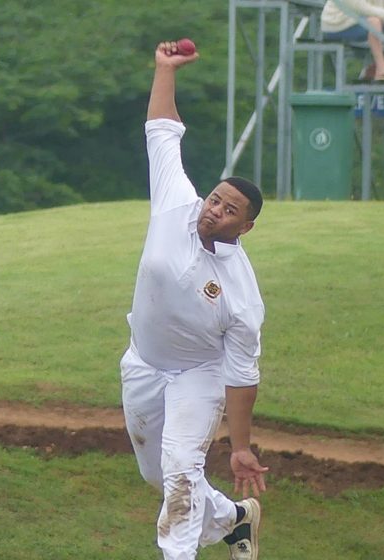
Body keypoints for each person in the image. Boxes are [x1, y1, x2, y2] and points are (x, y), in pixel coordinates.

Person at [121, 40, 270, 560]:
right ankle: (233, 518)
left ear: (245, 227)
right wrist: (165, 69)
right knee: (157, 475)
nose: (214, 211)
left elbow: (241, 376)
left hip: (198, 375)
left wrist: (242, 445)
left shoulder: (242, 296)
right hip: (143, 360)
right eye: (214, 199)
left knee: (181, 473)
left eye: (229, 211)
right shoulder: (175, 203)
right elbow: (162, 130)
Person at [320, 0, 384, 82]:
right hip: (337, 25)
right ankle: (381, 70)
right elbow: (363, 8)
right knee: (374, 22)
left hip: (357, 21)